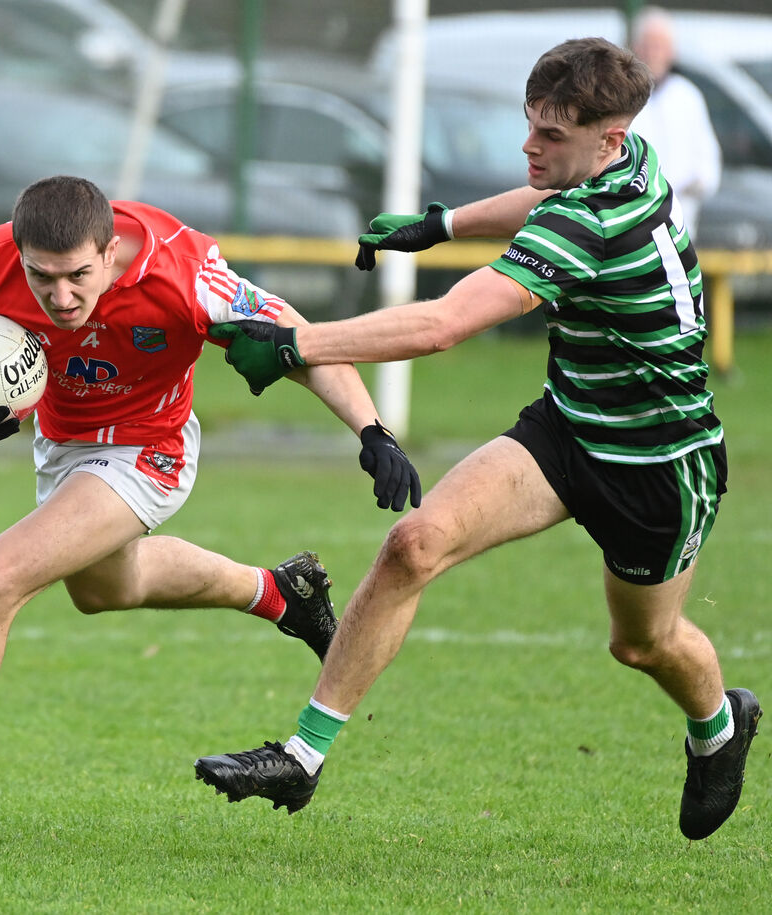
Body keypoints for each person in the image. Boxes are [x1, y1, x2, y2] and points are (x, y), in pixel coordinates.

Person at [195, 38, 760, 840]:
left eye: (551, 137)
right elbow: (540, 196)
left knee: (643, 643)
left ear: (607, 138)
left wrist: (294, 345)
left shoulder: (591, 223)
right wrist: (441, 224)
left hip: (659, 465)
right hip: (569, 427)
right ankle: (302, 755)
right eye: (528, 125)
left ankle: (719, 728)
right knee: (412, 545)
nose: (529, 146)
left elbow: (440, 326)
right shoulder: (628, 158)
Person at [0, 175, 422, 844]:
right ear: (20, 253)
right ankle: (278, 593)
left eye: (78, 275)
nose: (61, 296)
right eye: (43, 278)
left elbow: (299, 342)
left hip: (149, 449)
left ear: (110, 248)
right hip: (63, 447)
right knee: (104, 589)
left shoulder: (183, 273)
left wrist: (372, 430)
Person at [628, 6, 721, 238]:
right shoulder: (622, 96)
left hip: (681, 227)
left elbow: (708, 165)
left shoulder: (687, 96)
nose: (653, 54)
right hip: (631, 227)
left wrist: (690, 184)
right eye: (648, 45)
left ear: (672, 52)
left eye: (660, 46)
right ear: (635, 48)